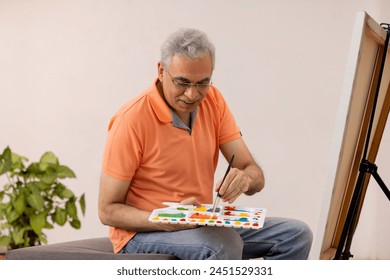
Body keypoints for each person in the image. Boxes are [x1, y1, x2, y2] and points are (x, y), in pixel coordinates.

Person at [98, 27, 313, 260]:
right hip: (141, 234)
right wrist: (166, 219)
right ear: (161, 71)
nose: (192, 94)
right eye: (182, 82)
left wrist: (245, 179)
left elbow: (254, 173)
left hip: (198, 224)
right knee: (222, 246)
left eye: (202, 83)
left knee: (296, 235)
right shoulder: (130, 121)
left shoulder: (214, 100)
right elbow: (107, 210)